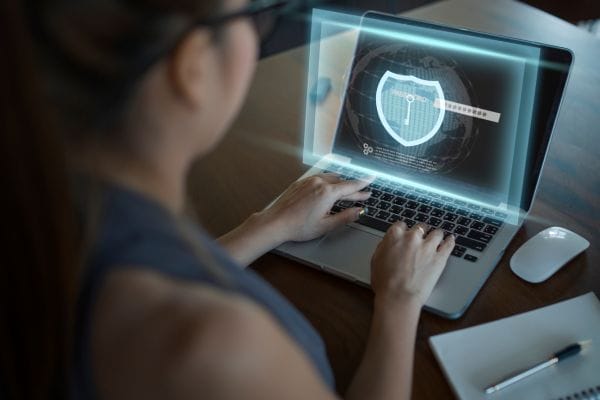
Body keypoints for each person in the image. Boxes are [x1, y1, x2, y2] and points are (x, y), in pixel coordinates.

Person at [0, 0, 455, 399]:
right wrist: (398, 302)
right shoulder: (216, 347)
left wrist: (269, 225)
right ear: (192, 64)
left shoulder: (49, 209)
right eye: (250, 13)